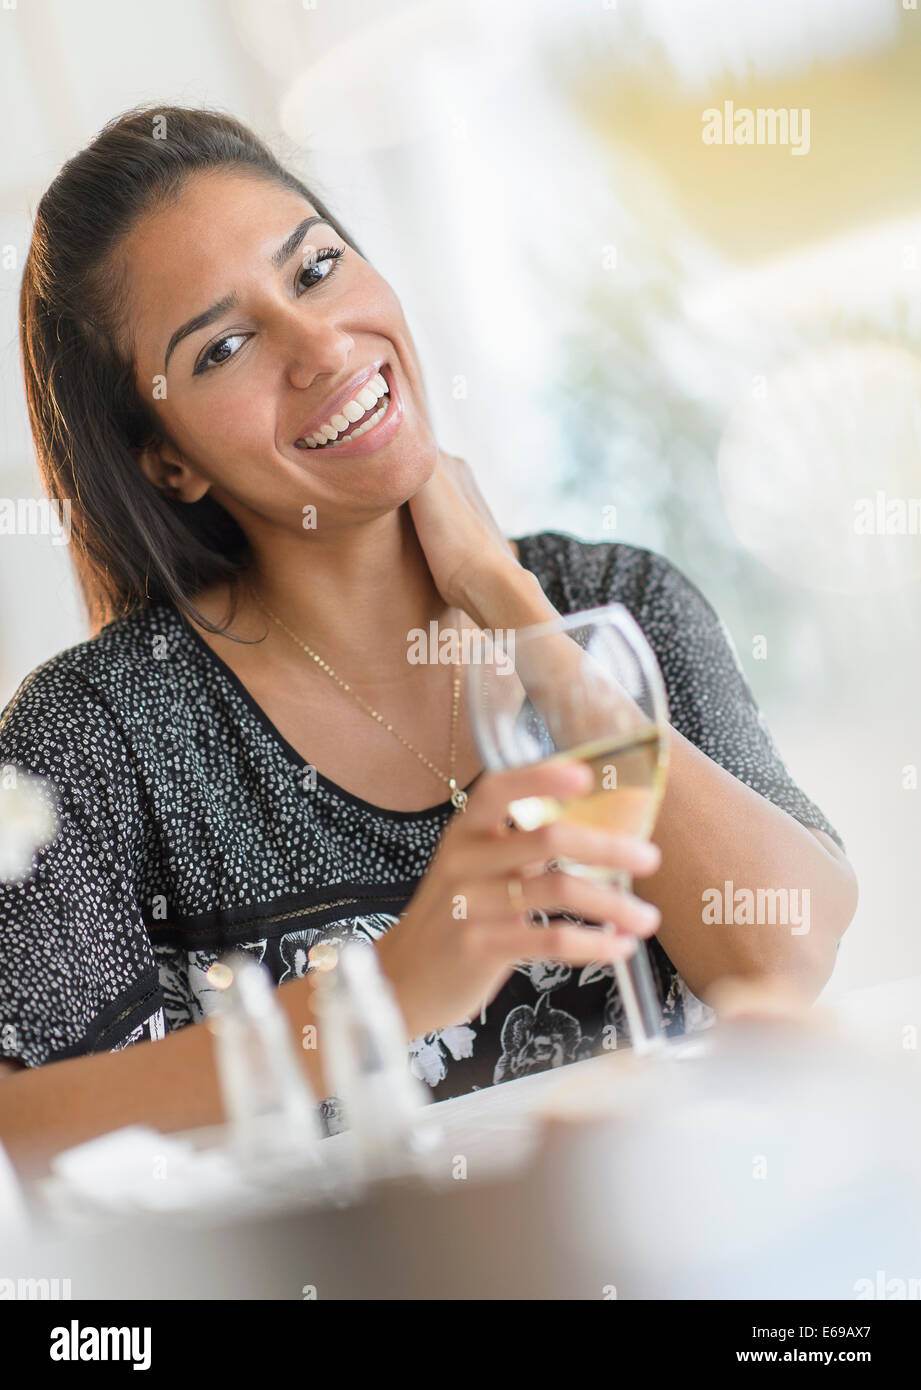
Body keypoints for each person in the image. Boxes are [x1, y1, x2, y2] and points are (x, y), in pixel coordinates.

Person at [0, 105, 857, 1171]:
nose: (318, 345)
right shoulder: (93, 742)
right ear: (166, 460)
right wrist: (393, 988)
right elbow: (21, 1129)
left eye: (314, 270)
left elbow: (779, 951)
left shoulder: (612, 598)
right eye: (224, 346)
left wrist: (513, 608)